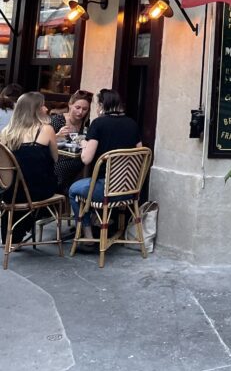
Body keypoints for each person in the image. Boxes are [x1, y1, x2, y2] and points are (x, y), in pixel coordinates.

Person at [69, 89, 141, 251]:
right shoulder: (132, 123)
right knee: (87, 186)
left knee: (74, 190)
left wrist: (83, 144)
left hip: (105, 190)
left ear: (102, 105)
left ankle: (88, 237)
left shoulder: (98, 124)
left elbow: (86, 159)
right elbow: (139, 153)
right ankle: (99, 222)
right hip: (130, 190)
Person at [0, 92, 58, 245]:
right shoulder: (46, 129)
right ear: (36, 109)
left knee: (28, 179)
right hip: (36, 191)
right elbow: (55, 159)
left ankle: (17, 232)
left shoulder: (6, 132)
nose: (46, 109)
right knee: (60, 183)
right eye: (43, 105)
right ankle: (33, 222)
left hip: (9, 192)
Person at [50, 91, 93, 194]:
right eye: (77, 108)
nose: (80, 112)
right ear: (70, 105)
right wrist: (57, 136)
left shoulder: (85, 122)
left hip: (79, 165)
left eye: (85, 109)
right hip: (59, 164)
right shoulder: (58, 120)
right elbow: (43, 143)